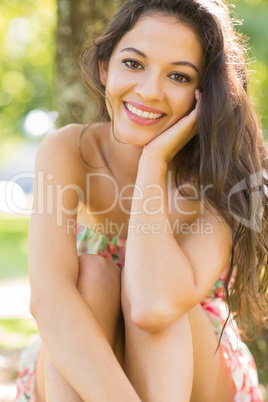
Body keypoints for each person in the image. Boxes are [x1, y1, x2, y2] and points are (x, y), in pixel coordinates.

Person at [15, 0, 267, 401]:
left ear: (206, 96)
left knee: (162, 306)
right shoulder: (69, 150)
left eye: (179, 76)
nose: (149, 91)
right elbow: (49, 300)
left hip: (191, 366)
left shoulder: (226, 177)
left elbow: (153, 306)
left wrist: (153, 163)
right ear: (105, 67)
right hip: (93, 371)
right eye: (133, 64)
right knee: (93, 276)